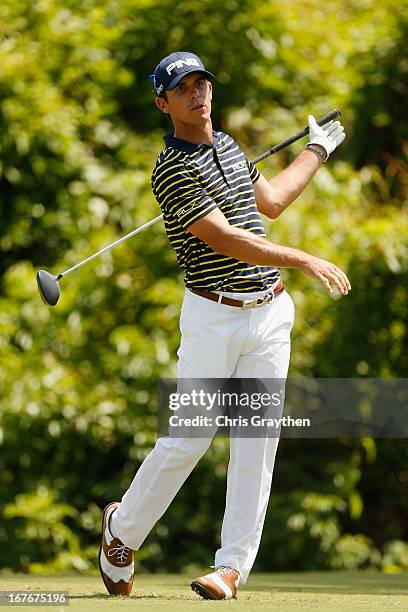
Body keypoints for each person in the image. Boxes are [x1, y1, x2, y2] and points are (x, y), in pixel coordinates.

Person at [98, 51, 351, 600]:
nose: (197, 93)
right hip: (213, 316)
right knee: (189, 437)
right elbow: (226, 239)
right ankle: (121, 531)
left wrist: (316, 149)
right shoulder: (171, 169)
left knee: (256, 439)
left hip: (270, 312)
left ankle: (231, 568)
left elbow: (274, 201)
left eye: (202, 83)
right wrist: (303, 258)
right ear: (164, 103)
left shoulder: (232, 148)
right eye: (183, 88)